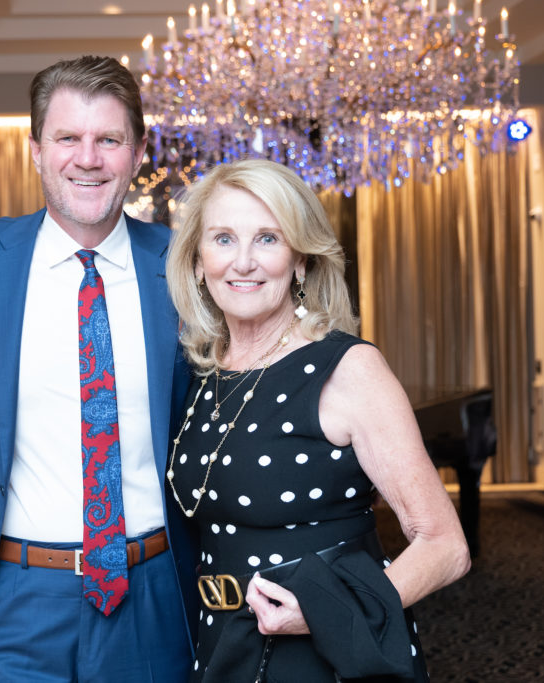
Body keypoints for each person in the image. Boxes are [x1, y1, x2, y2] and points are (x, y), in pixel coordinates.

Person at [164, 158, 471, 681]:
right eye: (222, 239)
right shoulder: (204, 374)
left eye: (267, 239)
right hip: (220, 644)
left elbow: (446, 547)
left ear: (300, 261)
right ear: (196, 261)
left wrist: (329, 610)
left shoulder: (348, 369)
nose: (243, 262)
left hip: (325, 656)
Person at [0, 56, 197, 680]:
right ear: (35, 150)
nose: (88, 158)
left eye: (109, 140)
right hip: (12, 601)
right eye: (68, 139)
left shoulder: (187, 270)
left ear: (138, 154)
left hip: (153, 595)